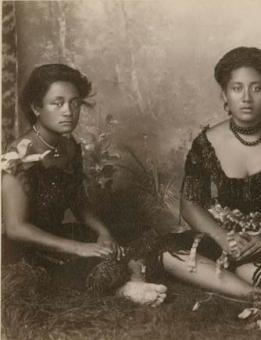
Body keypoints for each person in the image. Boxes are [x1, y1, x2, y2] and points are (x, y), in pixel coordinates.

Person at [1, 64, 167, 306]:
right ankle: (128, 288)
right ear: (37, 107)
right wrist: (78, 248)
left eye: (75, 103)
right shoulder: (18, 156)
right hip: (24, 248)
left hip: (56, 233)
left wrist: (103, 233)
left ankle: (129, 282)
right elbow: (16, 228)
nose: (68, 111)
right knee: (89, 262)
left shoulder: (68, 147)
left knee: (122, 243)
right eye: (57, 103)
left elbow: (79, 201)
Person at [160, 47, 261, 297]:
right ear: (224, 95)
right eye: (236, 88)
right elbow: (189, 203)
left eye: (256, 88)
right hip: (226, 236)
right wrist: (224, 239)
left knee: (252, 271)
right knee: (168, 253)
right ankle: (251, 294)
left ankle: (235, 284)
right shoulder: (205, 143)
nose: (246, 98)